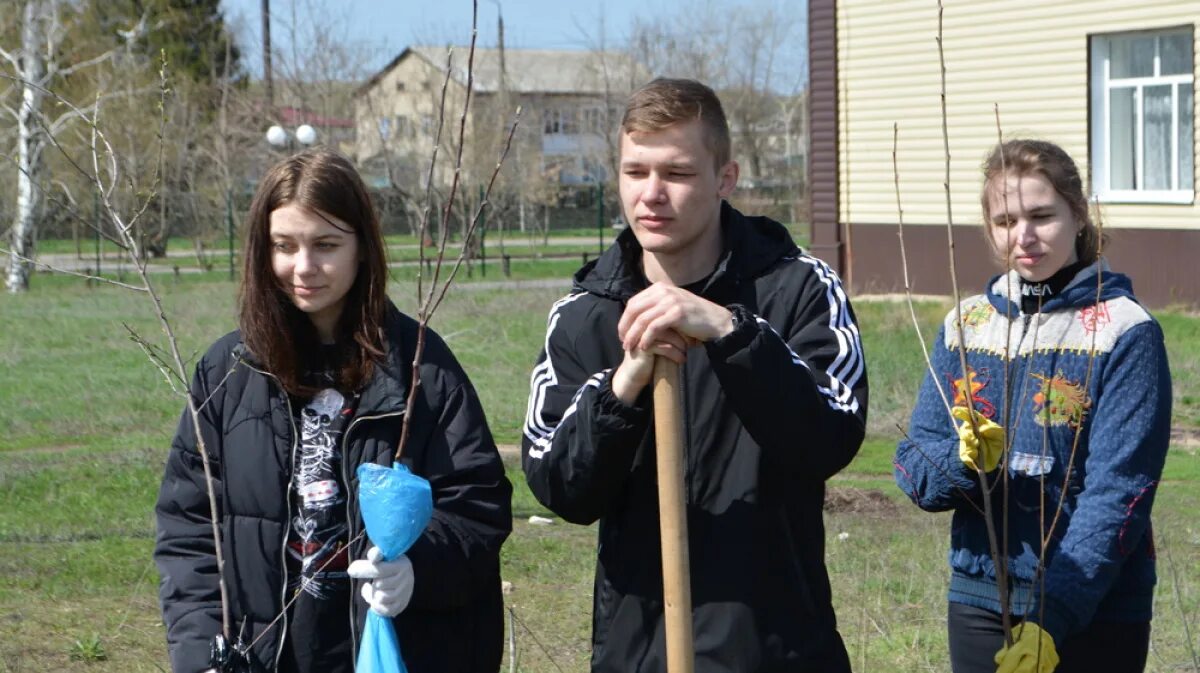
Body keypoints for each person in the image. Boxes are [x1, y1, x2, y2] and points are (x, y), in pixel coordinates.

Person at [521, 78, 869, 672]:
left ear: (724, 179)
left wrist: (731, 332)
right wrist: (622, 385)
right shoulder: (584, 315)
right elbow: (563, 491)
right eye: (635, 172)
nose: (651, 195)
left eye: (677, 174)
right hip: (639, 652)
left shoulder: (798, 289)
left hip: (775, 649)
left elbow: (829, 437)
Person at [154, 148, 512, 673]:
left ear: (362, 248)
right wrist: (202, 651)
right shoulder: (227, 373)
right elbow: (189, 529)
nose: (303, 267)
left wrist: (420, 568)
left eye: (325, 245)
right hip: (263, 656)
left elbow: (477, 506)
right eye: (284, 246)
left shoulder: (419, 368)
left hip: (389, 650)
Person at [893, 139, 1172, 673]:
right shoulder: (966, 325)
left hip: (1094, 604)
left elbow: (1119, 491)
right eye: (1004, 221)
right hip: (981, 598)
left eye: (1042, 215)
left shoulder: (1123, 330)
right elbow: (914, 467)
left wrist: (1054, 613)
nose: (1023, 237)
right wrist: (965, 461)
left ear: (1078, 213)